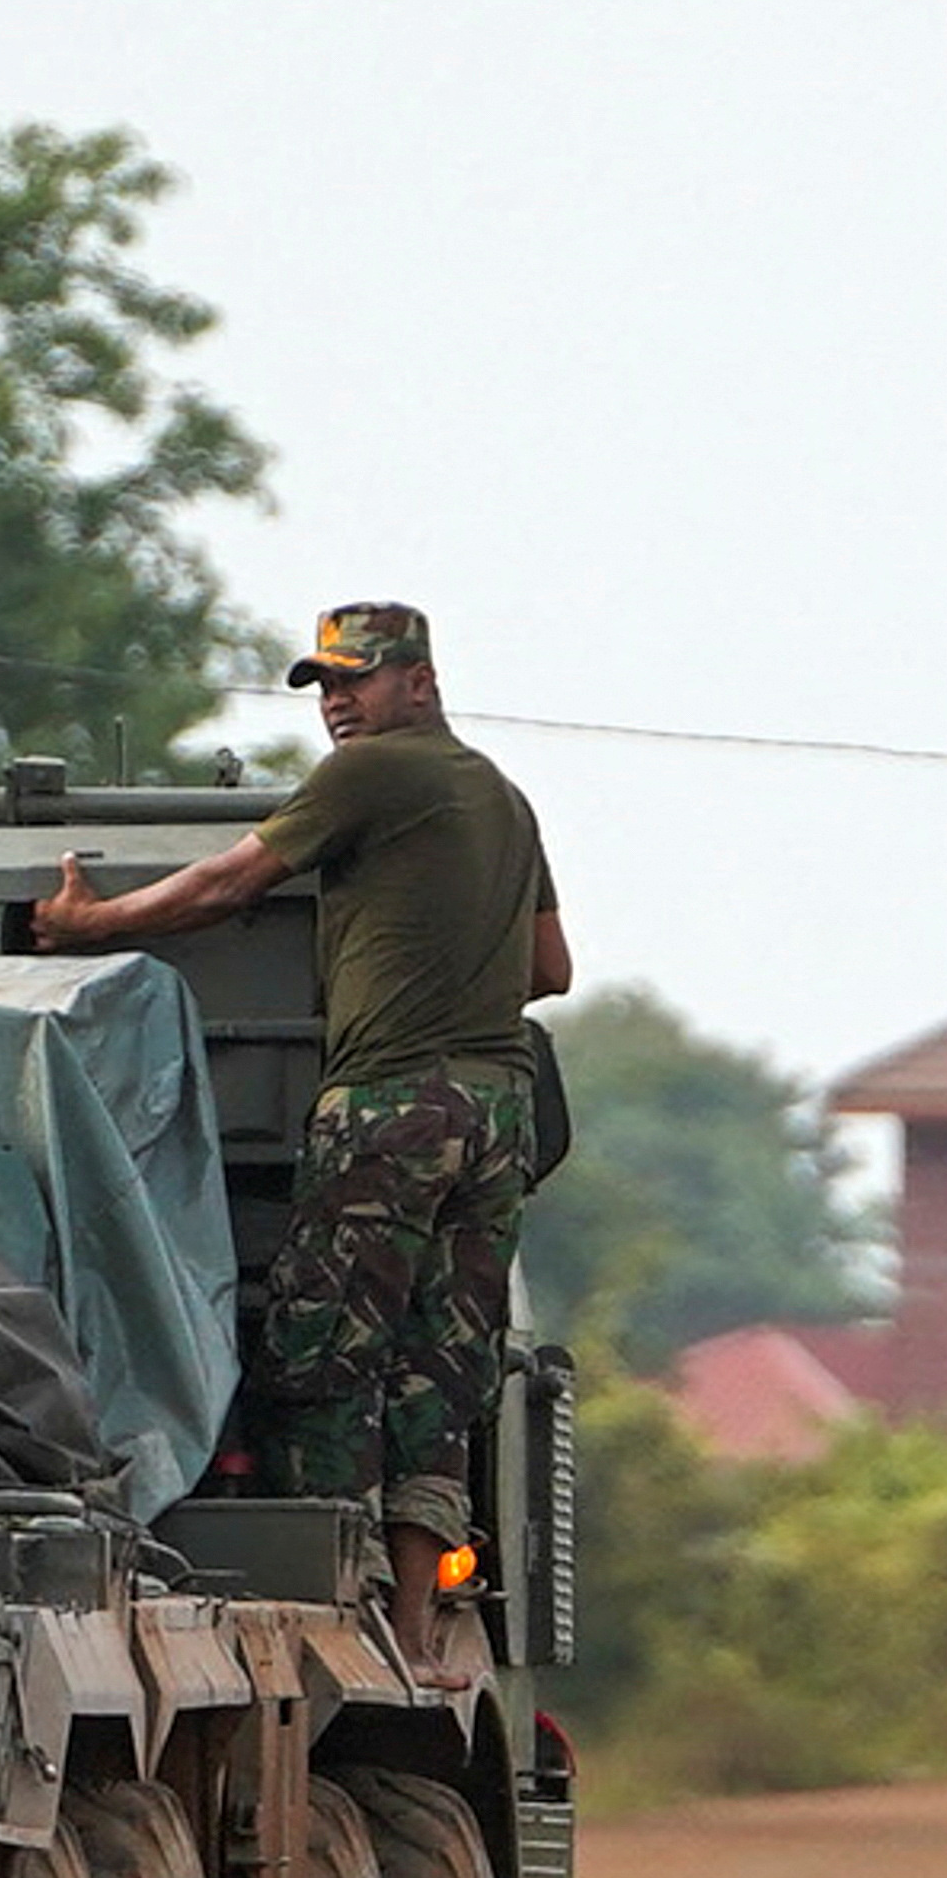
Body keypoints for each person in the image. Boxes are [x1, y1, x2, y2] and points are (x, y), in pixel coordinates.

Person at [30, 600, 567, 1685]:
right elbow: (550, 970)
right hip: (495, 1113)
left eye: (354, 681)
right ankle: (416, 1630)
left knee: (322, 1358)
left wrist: (91, 927)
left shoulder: (374, 773)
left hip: (389, 1105)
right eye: (323, 686)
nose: (335, 704)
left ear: (418, 682)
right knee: (440, 1372)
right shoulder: (501, 799)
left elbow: (233, 883)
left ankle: (337, 1614)